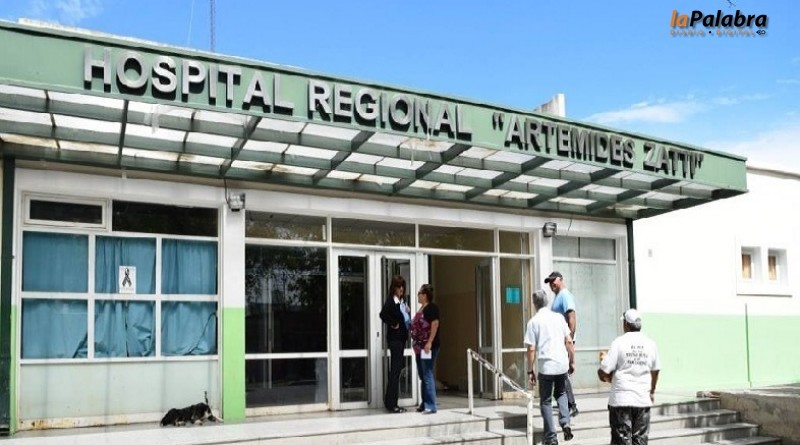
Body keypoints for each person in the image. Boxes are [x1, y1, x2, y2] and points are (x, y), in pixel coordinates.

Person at [598, 309, 661, 445]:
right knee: (640, 440)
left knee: (622, 441)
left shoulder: (619, 342)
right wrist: (652, 392)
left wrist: (606, 374)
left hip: (621, 400)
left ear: (626, 324)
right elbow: (655, 371)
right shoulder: (651, 344)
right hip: (642, 399)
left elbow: (604, 370)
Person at [524, 289, 575, 445]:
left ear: (534, 304)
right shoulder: (559, 318)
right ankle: (565, 422)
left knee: (545, 401)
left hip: (546, 366)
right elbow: (569, 341)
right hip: (561, 365)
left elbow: (531, 349)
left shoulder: (533, 322)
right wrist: (572, 361)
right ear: (546, 302)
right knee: (561, 393)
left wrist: (530, 370)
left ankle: (551, 437)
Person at [544, 271, 579, 417]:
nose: (551, 284)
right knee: (559, 373)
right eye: (549, 282)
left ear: (561, 279)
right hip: (558, 341)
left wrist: (569, 338)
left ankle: (571, 405)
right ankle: (565, 402)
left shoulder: (565, 295)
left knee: (562, 373)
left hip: (564, 340)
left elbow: (572, 318)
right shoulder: (558, 297)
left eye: (554, 280)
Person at [379, 275, 411, 413]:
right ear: (394, 288)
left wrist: (407, 312)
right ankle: (392, 404)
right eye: (399, 286)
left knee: (396, 371)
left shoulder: (401, 302)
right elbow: (382, 314)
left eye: (402, 286)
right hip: (395, 340)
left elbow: (405, 319)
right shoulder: (391, 301)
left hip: (401, 339)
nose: (401, 289)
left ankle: (390, 402)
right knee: (395, 372)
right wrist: (393, 323)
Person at [409, 284, 440, 414]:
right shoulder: (422, 308)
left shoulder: (431, 308)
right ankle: (424, 403)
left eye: (419, 293)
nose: (418, 295)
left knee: (427, 373)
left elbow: (435, 324)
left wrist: (429, 342)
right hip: (419, 347)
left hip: (427, 347)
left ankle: (431, 405)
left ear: (425, 295)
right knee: (422, 375)